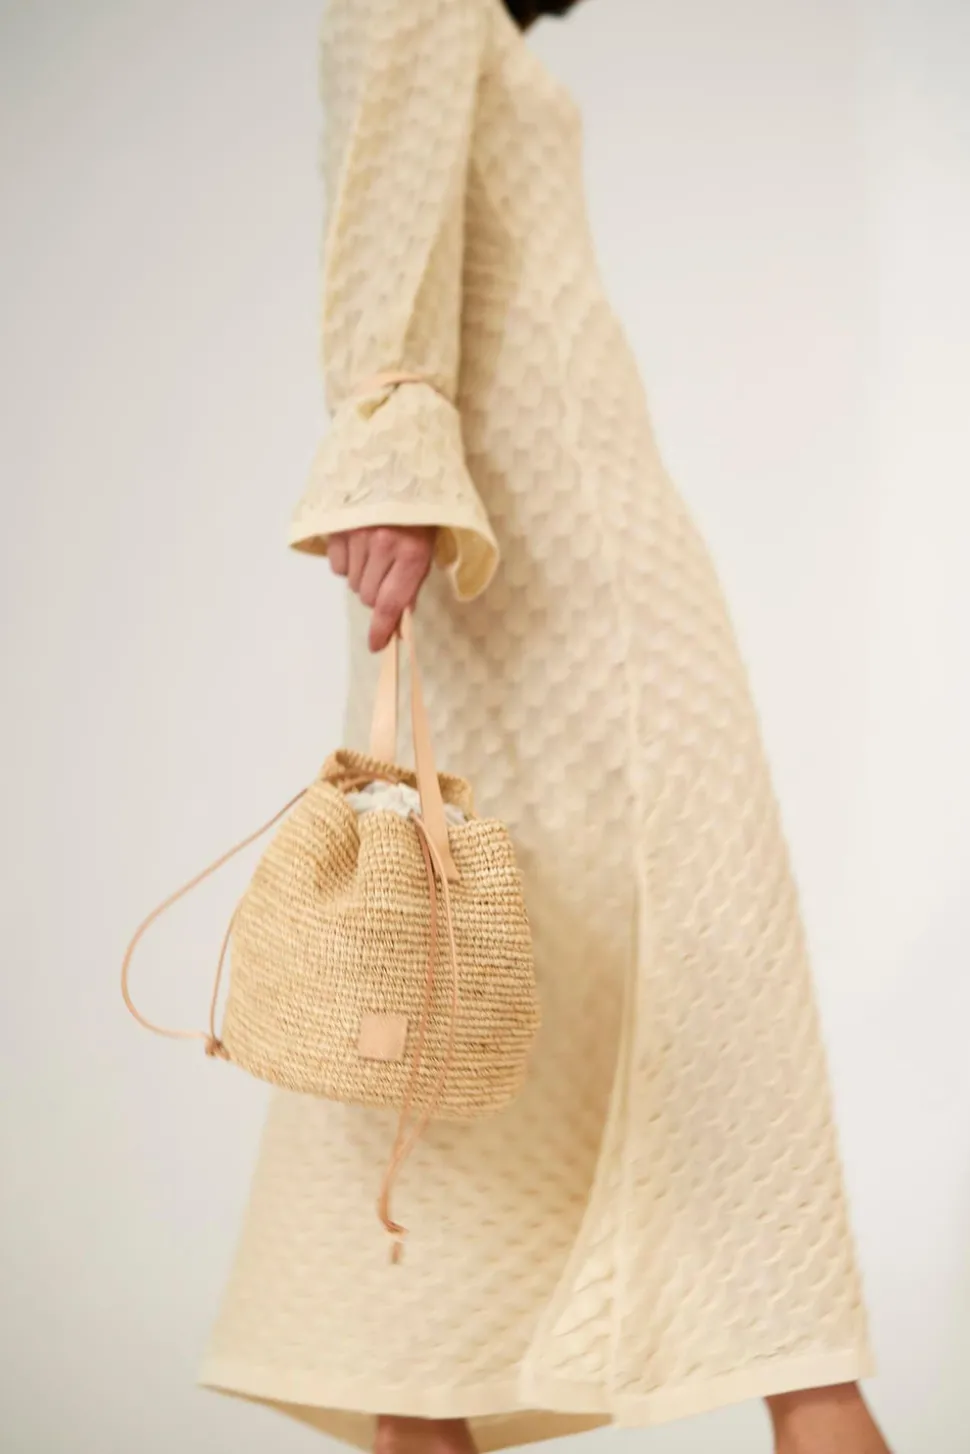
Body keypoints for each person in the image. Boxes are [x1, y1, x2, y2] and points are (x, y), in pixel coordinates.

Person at [199, 2, 892, 1452]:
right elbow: (383, 206)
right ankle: (805, 1404)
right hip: (533, 541)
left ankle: (475, 1413)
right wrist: (388, 456)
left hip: (561, 523)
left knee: (514, 953)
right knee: (495, 948)